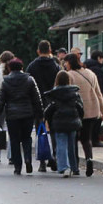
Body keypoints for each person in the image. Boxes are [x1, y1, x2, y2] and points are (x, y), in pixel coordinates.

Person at [0, 58, 43, 176]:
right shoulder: (30, 80)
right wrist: (40, 114)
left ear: (9, 68)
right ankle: (28, 159)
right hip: (27, 114)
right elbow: (36, 99)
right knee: (26, 138)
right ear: (22, 67)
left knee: (14, 140)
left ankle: (17, 166)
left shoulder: (6, 81)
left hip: (12, 115)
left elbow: (1, 101)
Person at [63, 53, 103, 177]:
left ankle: (75, 165)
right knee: (86, 139)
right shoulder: (91, 73)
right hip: (92, 109)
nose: (65, 65)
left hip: (76, 111)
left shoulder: (69, 75)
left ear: (69, 63)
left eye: (66, 62)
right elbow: (99, 93)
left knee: (74, 138)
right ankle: (89, 159)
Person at [26, 41, 61, 170]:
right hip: (53, 102)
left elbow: (28, 84)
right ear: (50, 50)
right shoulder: (56, 66)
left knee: (40, 131)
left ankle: (42, 162)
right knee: (54, 130)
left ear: (38, 51)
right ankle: (55, 157)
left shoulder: (32, 66)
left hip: (37, 103)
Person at [43, 70, 84, 177]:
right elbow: (80, 107)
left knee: (61, 145)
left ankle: (63, 167)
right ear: (68, 80)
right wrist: (80, 118)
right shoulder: (74, 93)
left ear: (56, 80)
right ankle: (74, 167)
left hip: (58, 123)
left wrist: (47, 119)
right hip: (73, 122)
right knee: (72, 146)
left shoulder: (53, 94)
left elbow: (48, 110)